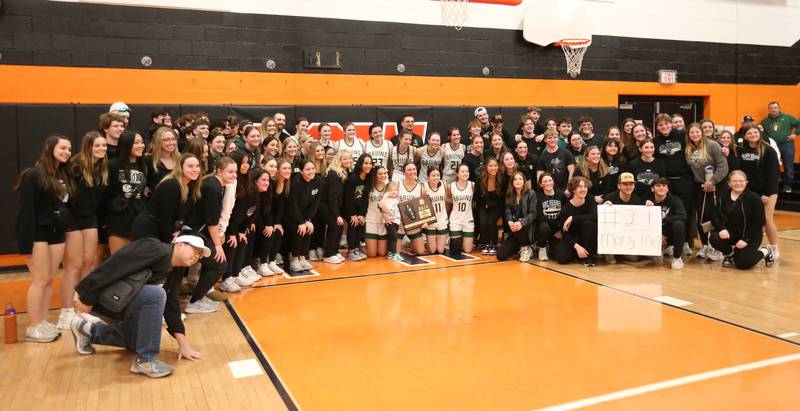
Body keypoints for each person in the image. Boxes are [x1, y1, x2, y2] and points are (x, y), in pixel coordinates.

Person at [72, 235, 210, 378]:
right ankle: (146, 360)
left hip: (119, 303)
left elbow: (171, 305)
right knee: (156, 294)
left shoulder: (175, 270)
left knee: (138, 342)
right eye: (195, 250)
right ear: (180, 245)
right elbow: (113, 265)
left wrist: (183, 344)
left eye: (200, 254)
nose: (197, 256)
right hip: (97, 296)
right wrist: (86, 297)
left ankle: (87, 329)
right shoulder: (154, 248)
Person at [15, 135, 74, 342]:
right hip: (38, 234)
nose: (67, 152)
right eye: (62, 148)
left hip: (56, 233)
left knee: (49, 279)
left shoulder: (61, 174)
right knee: (40, 280)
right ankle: (33, 326)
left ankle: (42, 321)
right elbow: (26, 211)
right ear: (50, 148)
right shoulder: (34, 174)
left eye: (69, 149)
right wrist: (25, 243)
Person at [59, 132, 108, 329]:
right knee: (73, 267)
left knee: (89, 264)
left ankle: (81, 307)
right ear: (88, 146)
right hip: (72, 219)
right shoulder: (76, 166)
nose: (102, 149)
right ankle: (66, 312)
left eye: (104, 146)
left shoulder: (100, 168)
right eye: (97, 146)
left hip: (90, 219)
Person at [709, 171, 776, 269]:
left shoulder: (754, 198)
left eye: (741, 181)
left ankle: (766, 250)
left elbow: (760, 222)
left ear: (746, 182)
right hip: (731, 232)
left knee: (743, 264)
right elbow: (714, 215)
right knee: (714, 238)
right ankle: (730, 254)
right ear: (729, 183)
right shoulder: (722, 196)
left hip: (751, 235)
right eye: (734, 181)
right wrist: (721, 229)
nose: (738, 183)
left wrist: (746, 239)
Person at [685, 122, 729, 261]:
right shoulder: (688, 148)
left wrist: (713, 181)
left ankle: (717, 247)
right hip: (699, 187)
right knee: (701, 217)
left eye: (697, 132)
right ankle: (705, 245)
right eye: (691, 132)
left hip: (714, 187)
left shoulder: (713, 145)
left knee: (715, 217)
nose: (695, 134)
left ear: (702, 133)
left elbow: (723, 166)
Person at [739, 125, 781, 259]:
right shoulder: (742, 151)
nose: (752, 134)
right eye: (749, 133)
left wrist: (767, 193)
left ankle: (774, 248)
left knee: (767, 220)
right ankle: (751, 247)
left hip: (767, 191)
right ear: (745, 136)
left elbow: (774, 175)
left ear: (760, 133)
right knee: (752, 221)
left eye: (755, 132)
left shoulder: (768, 151)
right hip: (750, 192)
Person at [105, 130, 147, 254]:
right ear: (126, 144)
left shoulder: (143, 166)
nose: (141, 145)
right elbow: (104, 193)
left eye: (142, 142)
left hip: (138, 218)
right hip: (118, 219)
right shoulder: (112, 165)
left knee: (135, 262)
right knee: (118, 262)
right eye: (137, 143)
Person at [551, 177, 598, 267]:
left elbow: (594, 216)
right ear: (573, 190)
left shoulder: (590, 199)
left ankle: (587, 257)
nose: (583, 189)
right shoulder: (566, 208)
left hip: (587, 237)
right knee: (562, 258)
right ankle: (578, 253)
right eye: (580, 187)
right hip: (573, 238)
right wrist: (576, 246)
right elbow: (564, 232)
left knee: (588, 223)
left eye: (585, 187)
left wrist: (573, 218)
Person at [287, 160, 322, 272]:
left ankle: (302, 257)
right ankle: (294, 259)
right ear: (301, 171)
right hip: (291, 214)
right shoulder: (296, 182)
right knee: (300, 229)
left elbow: (316, 203)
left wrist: (308, 220)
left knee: (310, 227)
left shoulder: (318, 181)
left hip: (306, 215)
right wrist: (301, 221)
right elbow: (293, 205)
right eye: (307, 169)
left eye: (312, 169)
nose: (311, 171)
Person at [319, 151, 351, 264]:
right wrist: (337, 215)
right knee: (335, 224)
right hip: (324, 206)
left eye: (349, 159)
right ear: (339, 160)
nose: (348, 161)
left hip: (332, 205)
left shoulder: (343, 172)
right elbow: (331, 197)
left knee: (340, 226)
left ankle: (334, 251)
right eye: (345, 159)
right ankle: (328, 254)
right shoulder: (334, 174)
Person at [760, 101, 800, 192]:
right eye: (771, 108)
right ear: (768, 109)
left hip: (787, 145)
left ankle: (788, 185)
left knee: (788, 166)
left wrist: (796, 134)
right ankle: (774, 185)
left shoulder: (787, 118)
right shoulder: (765, 121)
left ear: (779, 109)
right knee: (773, 166)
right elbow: (762, 133)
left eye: (775, 107)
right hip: (772, 147)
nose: (773, 109)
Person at [649, 178, 688, 269]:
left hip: (670, 234)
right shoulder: (648, 201)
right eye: (658, 186)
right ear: (652, 189)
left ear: (667, 189)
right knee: (657, 263)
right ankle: (661, 249)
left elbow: (683, 216)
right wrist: (658, 234)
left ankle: (677, 257)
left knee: (679, 224)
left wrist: (666, 219)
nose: (661, 188)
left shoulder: (675, 200)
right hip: (653, 234)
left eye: (664, 186)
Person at [497, 172, 537, 262]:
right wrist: (510, 221)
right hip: (515, 230)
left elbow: (533, 214)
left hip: (527, 229)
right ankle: (520, 247)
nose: (518, 181)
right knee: (501, 255)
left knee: (520, 226)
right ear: (512, 182)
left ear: (524, 181)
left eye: (520, 179)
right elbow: (508, 212)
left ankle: (526, 248)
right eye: (515, 179)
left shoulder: (531, 193)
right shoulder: (510, 194)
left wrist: (521, 223)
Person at [344, 154, 373, 261]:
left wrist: (362, 214)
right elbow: (348, 198)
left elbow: (364, 198)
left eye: (370, 163)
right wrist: (353, 214)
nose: (368, 166)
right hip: (347, 207)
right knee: (353, 223)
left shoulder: (369, 178)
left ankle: (357, 247)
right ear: (360, 164)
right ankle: (351, 250)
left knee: (361, 221)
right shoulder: (354, 178)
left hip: (358, 206)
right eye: (366, 163)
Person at [396, 163, 427, 255]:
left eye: (414, 169)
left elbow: (425, 207)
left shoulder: (421, 188)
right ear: (404, 173)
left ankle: (411, 242)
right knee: (395, 253)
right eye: (409, 170)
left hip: (413, 222)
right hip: (400, 222)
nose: (412, 171)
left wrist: (424, 221)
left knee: (420, 252)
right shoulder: (397, 186)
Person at [475, 158, 504, 255]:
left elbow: (503, 198)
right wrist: (484, 206)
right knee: (483, 222)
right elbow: (477, 197)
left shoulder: (501, 178)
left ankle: (494, 245)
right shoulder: (480, 178)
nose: (493, 168)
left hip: (497, 206)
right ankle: (486, 244)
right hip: (483, 205)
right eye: (490, 166)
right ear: (486, 167)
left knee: (491, 222)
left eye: (495, 165)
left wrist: (491, 205)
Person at [534, 173, 565, 261]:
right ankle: (542, 247)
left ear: (553, 182)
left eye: (550, 180)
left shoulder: (561, 195)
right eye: (545, 181)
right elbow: (539, 216)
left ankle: (551, 246)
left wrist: (561, 230)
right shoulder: (537, 196)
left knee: (558, 255)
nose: (548, 183)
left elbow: (566, 213)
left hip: (557, 230)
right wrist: (557, 224)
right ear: (541, 184)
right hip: (544, 227)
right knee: (544, 226)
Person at [536, 129, 575, 196]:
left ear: (557, 139)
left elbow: (572, 171)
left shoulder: (566, 153)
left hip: (566, 190)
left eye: (554, 137)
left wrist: (569, 188)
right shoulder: (542, 157)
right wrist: (544, 190)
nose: (552, 140)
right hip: (550, 190)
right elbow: (539, 176)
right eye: (550, 138)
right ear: (545, 140)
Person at [447, 164, 475, 256]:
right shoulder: (451, 186)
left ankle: (460, 240)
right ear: (457, 174)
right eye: (462, 171)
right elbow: (448, 200)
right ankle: (452, 239)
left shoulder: (472, 185)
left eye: (467, 171)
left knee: (467, 250)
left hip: (468, 220)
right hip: (455, 220)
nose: (465, 173)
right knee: (455, 250)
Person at [144, 126, 179, 192]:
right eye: (166, 140)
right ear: (158, 141)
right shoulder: (148, 159)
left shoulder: (180, 159)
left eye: (173, 139)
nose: (171, 142)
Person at [365, 166, 389, 257]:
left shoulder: (389, 188)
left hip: (383, 222)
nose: (383, 175)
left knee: (382, 253)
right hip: (371, 221)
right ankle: (360, 248)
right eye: (380, 174)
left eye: (384, 173)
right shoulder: (369, 187)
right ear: (375, 175)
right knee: (372, 254)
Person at [424, 168, 448, 255]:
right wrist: (425, 221)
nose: (436, 177)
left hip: (442, 219)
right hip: (431, 221)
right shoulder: (424, 187)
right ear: (428, 177)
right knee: (432, 251)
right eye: (433, 175)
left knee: (440, 250)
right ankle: (425, 243)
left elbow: (447, 201)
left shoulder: (443, 185)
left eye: (438, 175)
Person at [379, 182, 404, 261]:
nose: (394, 192)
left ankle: (390, 252)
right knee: (394, 237)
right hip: (389, 221)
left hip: (397, 221)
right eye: (391, 190)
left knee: (392, 237)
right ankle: (394, 254)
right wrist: (385, 196)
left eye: (395, 190)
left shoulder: (397, 199)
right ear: (387, 191)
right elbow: (380, 205)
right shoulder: (386, 199)